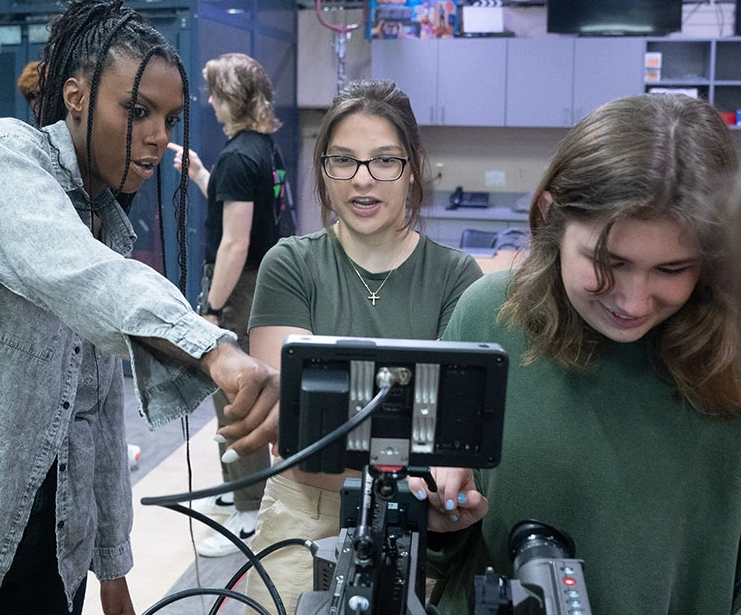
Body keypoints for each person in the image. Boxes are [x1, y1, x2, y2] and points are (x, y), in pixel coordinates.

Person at [0, 0, 278, 615]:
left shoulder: (106, 226)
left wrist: (113, 572)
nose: (157, 137)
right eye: (137, 111)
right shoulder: (4, 154)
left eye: (171, 119)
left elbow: (91, 416)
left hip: (51, 556)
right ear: (74, 97)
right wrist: (214, 349)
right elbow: (80, 273)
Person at [415, 93, 741, 615]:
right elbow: (436, 555)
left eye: (672, 270)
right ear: (551, 216)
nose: (633, 301)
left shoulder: (732, 355)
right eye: (607, 262)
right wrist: (435, 515)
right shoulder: (488, 318)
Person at [244, 79, 483, 614]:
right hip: (303, 515)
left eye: (384, 161)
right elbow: (294, 432)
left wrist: (440, 479)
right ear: (323, 171)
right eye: (343, 161)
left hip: (413, 523)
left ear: (413, 167)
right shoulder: (291, 264)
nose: (363, 180)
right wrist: (411, 455)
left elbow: (456, 434)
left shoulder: (455, 276)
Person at [167, 52, 287, 557]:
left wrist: (212, 312)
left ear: (232, 99)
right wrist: (199, 174)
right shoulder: (262, 150)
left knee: (234, 395)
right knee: (250, 391)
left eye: (215, 93)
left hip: (239, 289)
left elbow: (235, 244)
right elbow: (239, 207)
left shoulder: (239, 156)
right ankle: (246, 496)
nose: (209, 102)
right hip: (261, 281)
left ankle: (246, 509)